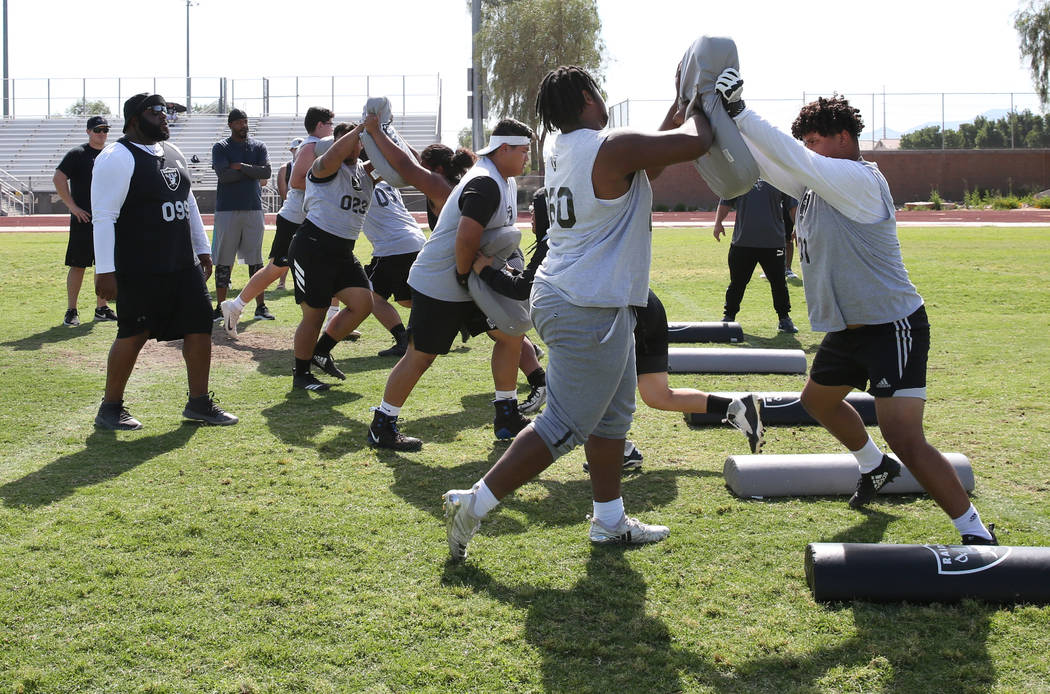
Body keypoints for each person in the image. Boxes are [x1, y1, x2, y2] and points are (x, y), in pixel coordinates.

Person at [441, 64, 714, 561]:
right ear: (589, 95)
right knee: (562, 425)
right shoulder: (611, 146)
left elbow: (650, 155)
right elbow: (696, 141)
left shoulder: (562, 145)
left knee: (612, 420)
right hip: (589, 302)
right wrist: (709, 95)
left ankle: (609, 521)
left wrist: (680, 98)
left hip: (573, 295)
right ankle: (473, 503)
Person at [715, 69, 996, 544]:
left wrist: (742, 109)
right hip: (849, 330)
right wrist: (728, 121)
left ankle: (976, 533)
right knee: (818, 401)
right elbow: (769, 164)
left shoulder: (860, 179)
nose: (810, 150)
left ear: (844, 138)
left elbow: (794, 159)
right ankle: (874, 464)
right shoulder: (815, 183)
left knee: (906, 436)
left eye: (817, 141)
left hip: (893, 326)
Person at [364, 118, 534, 451]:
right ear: (504, 149)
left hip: (470, 275)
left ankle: (507, 414)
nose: (527, 157)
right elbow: (465, 236)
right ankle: (382, 424)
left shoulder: (504, 178)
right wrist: (463, 277)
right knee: (421, 355)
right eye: (524, 151)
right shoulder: (484, 181)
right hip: (444, 279)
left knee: (510, 335)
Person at [90, 92, 237, 430]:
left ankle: (199, 403)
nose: (165, 116)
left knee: (200, 327)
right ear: (134, 118)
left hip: (181, 264)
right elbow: (104, 217)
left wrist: (202, 248)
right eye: (157, 111)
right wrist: (105, 271)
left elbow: (188, 204)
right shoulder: (117, 156)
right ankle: (110, 408)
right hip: (140, 265)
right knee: (134, 332)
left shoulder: (173, 152)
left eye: (167, 111)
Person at [221, 108, 334, 337]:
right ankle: (235, 307)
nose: (333, 126)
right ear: (320, 125)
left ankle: (333, 318)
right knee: (277, 268)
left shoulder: (321, 146)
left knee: (331, 263)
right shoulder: (310, 147)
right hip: (294, 218)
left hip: (311, 218)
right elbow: (297, 182)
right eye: (330, 123)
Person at [287, 121, 375, 391]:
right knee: (315, 313)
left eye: (356, 140)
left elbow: (405, 164)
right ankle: (301, 375)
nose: (351, 144)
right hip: (313, 246)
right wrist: (363, 127)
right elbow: (337, 154)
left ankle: (321, 351)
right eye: (345, 140)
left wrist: (383, 132)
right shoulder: (322, 166)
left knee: (363, 304)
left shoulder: (364, 171)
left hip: (342, 250)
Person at [53, 115, 117, 327]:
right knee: (78, 265)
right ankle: (71, 310)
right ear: (88, 131)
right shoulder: (77, 154)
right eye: (98, 129)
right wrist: (72, 207)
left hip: (106, 218)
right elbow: (59, 178)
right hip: (84, 218)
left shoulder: (111, 154)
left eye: (105, 130)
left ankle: (102, 307)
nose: (102, 133)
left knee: (105, 264)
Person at [713, 179, 800, 333]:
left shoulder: (777, 175)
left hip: (773, 243)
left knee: (779, 283)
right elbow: (726, 200)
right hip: (743, 241)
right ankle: (729, 317)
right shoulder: (740, 176)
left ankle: (784, 318)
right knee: (737, 283)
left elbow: (792, 205)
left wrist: (799, 227)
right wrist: (718, 222)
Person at [211, 108, 271, 322]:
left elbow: (266, 172)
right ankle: (219, 307)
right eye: (238, 122)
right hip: (227, 209)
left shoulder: (258, 146)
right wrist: (251, 171)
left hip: (253, 208)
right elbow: (224, 176)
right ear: (230, 125)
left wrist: (242, 167)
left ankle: (260, 306)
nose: (243, 125)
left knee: (255, 260)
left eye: (245, 121)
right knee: (224, 261)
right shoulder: (221, 147)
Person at [360, 178, 425, 357]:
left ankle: (403, 340)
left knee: (370, 296)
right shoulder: (388, 182)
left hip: (393, 246)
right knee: (406, 300)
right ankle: (456, 318)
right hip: (416, 239)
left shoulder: (360, 182)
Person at [273, 137, 303, 290]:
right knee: (284, 252)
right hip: (291, 214)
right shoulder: (286, 167)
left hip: (306, 215)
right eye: (295, 149)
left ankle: (300, 283)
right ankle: (282, 282)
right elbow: (283, 191)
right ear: (291, 150)